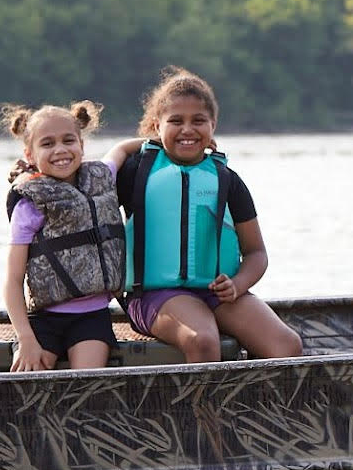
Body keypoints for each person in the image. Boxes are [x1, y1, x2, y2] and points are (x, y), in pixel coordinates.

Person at [105, 66, 302, 362]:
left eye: (199, 121)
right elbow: (83, 187)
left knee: (287, 345)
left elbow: (256, 253)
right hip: (152, 296)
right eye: (176, 121)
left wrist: (238, 284)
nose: (187, 129)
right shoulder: (135, 173)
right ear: (157, 126)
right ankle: (205, 411)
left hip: (218, 295)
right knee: (203, 340)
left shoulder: (227, 180)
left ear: (213, 125)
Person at [0, 100, 126, 371]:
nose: (60, 150)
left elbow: (122, 149)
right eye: (47, 144)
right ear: (30, 155)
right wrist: (26, 339)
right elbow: (12, 282)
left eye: (68, 140)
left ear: (82, 145)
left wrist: (168, 140)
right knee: (28, 372)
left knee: (85, 384)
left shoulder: (101, 177)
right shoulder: (29, 204)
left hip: (92, 317)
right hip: (43, 319)